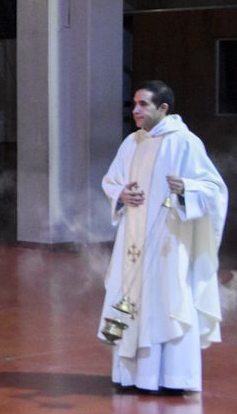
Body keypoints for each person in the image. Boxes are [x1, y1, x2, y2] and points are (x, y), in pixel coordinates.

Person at [98, 80, 228, 393]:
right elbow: (111, 180)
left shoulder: (184, 142)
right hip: (132, 243)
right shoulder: (131, 143)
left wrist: (187, 190)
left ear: (163, 108)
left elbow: (214, 189)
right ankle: (131, 375)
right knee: (129, 297)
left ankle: (173, 378)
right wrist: (120, 194)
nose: (136, 110)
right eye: (134, 104)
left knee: (168, 300)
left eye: (143, 104)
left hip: (169, 243)